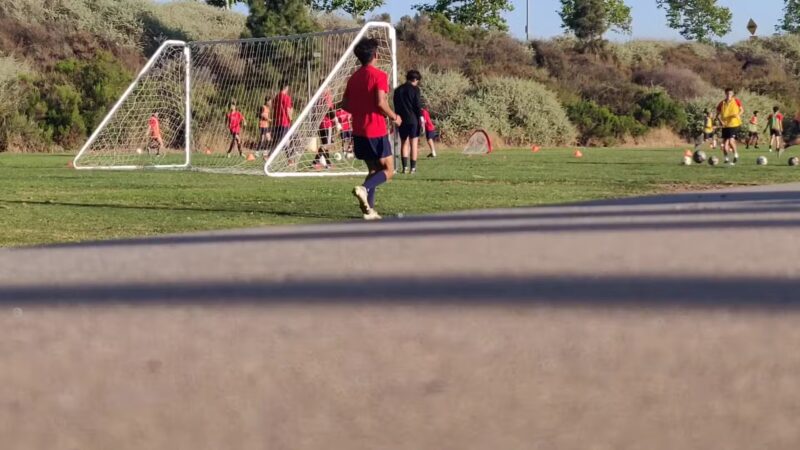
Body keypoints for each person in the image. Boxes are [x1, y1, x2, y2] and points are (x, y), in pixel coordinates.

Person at [343, 38, 401, 221]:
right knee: (389, 170)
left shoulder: (353, 78)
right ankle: (364, 189)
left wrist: (361, 109)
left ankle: (369, 210)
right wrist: (394, 117)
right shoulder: (379, 75)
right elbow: (380, 102)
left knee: (374, 171)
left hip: (359, 130)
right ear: (375, 55)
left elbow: (345, 104)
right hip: (376, 129)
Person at [393, 70, 423, 174]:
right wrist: (421, 117)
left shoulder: (398, 90)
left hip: (401, 119)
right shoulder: (415, 89)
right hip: (413, 119)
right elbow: (417, 104)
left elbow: (395, 105)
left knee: (404, 142)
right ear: (415, 79)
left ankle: (405, 167)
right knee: (413, 143)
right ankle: (413, 168)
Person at [715, 88, 743, 165]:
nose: (729, 95)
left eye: (730, 94)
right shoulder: (721, 103)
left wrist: (738, 115)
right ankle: (726, 158)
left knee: (731, 140)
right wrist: (721, 122)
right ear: (725, 94)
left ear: (732, 94)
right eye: (727, 94)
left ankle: (736, 155)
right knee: (725, 144)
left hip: (734, 124)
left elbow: (742, 110)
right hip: (725, 125)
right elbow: (717, 115)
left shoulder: (736, 101)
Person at [314, 88, 335, 169]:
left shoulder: (318, 97)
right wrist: (334, 119)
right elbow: (329, 109)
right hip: (326, 123)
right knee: (326, 145)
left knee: (325, 144)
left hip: (320, 124)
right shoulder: (327, 95)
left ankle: (328, 163)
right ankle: (315, 161)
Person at [271, 83, 293, 152]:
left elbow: (273, 107)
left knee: (283, 141)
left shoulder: (276, 97)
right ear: (286, 87)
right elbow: (288, 110)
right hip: (284, 122)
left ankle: (290, 160)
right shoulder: (287, 97)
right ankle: (269, 155)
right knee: (282, 141)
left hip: (277, 122)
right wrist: (291, 119)